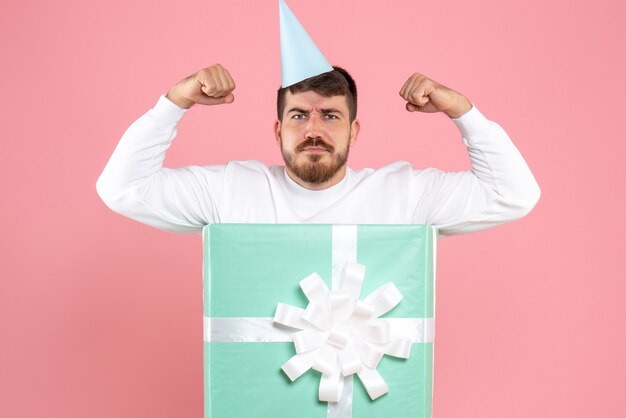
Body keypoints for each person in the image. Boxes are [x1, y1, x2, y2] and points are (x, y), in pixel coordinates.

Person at [96, 64, 540, 235]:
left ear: (354, 131)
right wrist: (176, 101)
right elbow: (122, 188)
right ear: (277, 131)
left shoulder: (403, 194)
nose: (313, 130)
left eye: (330, 116)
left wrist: (463, 112)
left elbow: (514, 195)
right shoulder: (232, 190)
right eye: (298, 116)